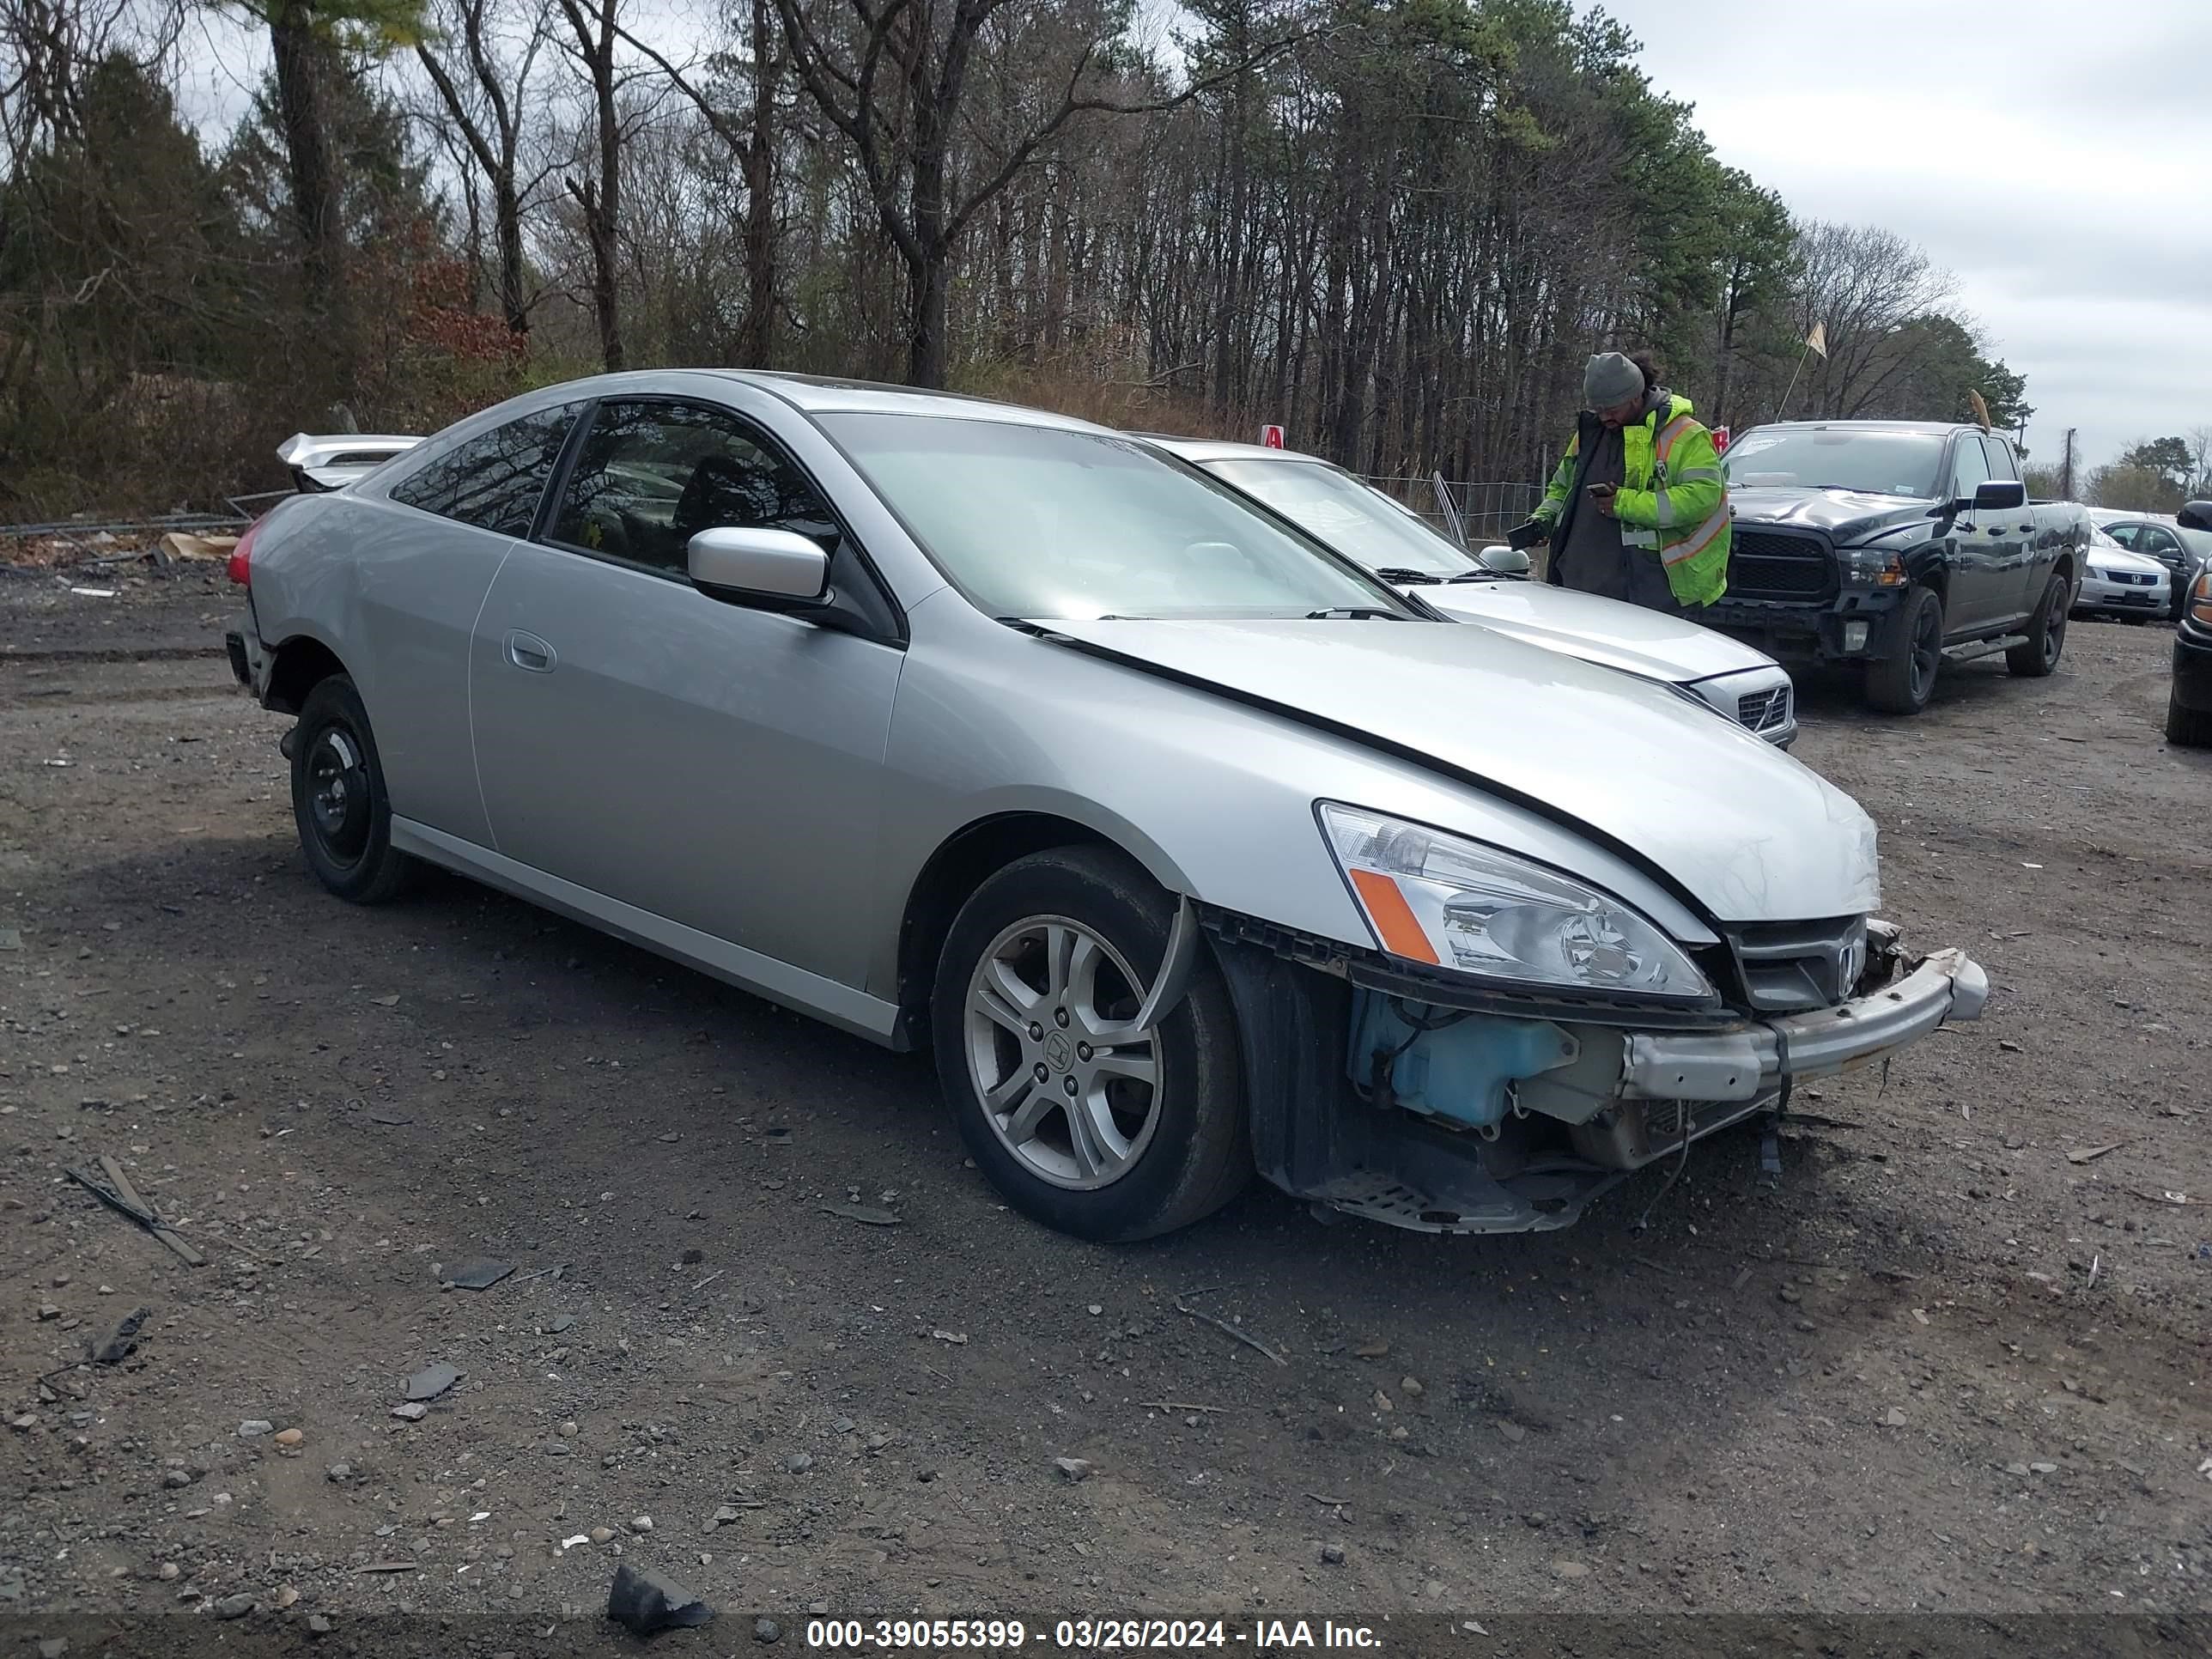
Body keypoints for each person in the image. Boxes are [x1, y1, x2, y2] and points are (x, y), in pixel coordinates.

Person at [1506, 350, 1730, 615]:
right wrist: (1544, 519)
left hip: (1652, 590)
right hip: (1577, 585)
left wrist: (1624, 503)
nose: (1604, 418)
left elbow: (1702, 498)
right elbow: (1563, 487)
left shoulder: (1684, 435)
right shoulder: (1590, 435)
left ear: (1635, 396)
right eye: (1597, 410)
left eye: (1612, 410)